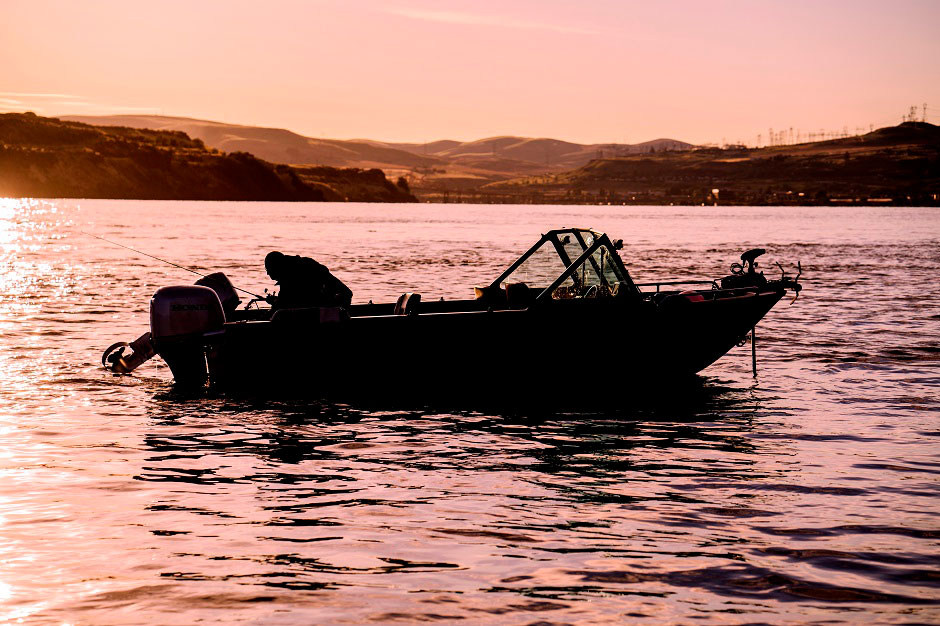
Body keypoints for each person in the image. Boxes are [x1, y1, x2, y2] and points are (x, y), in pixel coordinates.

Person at [264, 251, 352, 311]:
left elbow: (283, 305)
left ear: (277, 267)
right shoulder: (302, 266)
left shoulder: (289, 277)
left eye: (268, 269)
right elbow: (288, 300)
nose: (267, 273)